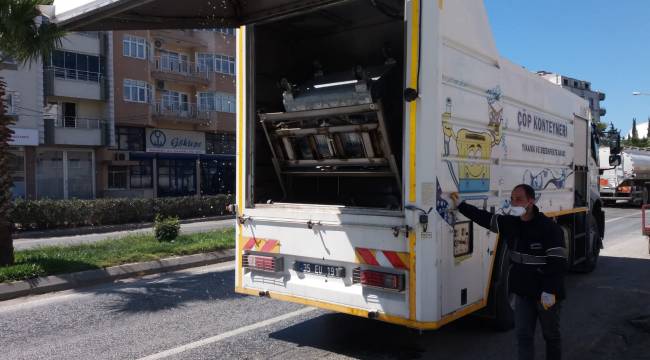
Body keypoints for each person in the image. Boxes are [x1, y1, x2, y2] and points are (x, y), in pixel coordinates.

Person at [450, 184, 566, 360]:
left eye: (519, 199)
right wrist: (461, 205)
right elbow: (484, 218)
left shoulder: (549, 228)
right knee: (523, 336)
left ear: (531, 201)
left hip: (545, 294)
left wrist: (550, 290)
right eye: (512, 199)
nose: (514, 202)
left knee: (551, 336)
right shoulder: (510, 224)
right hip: (523, 293)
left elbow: (558, 263)